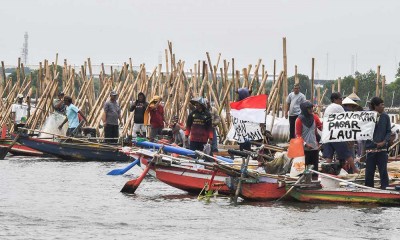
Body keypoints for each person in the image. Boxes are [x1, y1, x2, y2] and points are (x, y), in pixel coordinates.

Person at [322, 92, 359, 173]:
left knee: (329, 156)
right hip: (336, 135)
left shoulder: (328, 108)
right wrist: (348, 138)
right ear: (335, 99)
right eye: (340, 99)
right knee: (347, 153)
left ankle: (326, 173)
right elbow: (344, 122)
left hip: (327, 135)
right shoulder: (338, 107)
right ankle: (355, 170)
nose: (341, 100)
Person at [365, 97, 391, 189]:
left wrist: (384, 142)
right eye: (381, 105)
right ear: (375, 106)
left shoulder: (386, 117)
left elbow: (388, 131)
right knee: (369, 172)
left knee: (383, 171)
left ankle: (385, 189)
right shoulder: (367, 116)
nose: (383, 107)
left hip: (382, 150)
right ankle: (368, 189)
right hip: (370, 149)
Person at [295, 101, 322, 179]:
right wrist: (305, 144)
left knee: (314, 168)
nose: (311, 110)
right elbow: (298, 135)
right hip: (303, 148)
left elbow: (321, 127)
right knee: (303, 168)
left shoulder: (315, 117)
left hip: (314, 146)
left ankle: (314, 181)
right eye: (309, 108)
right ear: (304, 109)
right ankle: (303, 182)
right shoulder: (299, 120)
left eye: (311, 108)